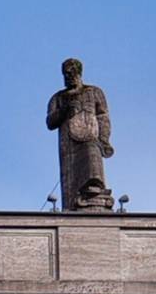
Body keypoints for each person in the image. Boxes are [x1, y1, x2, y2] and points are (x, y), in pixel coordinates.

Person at [46, 58, 113, 212]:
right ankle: (74, 202)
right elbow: (50, 122)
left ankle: (94, 189)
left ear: (79, 73)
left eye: (72, 73)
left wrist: (104, 140)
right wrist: (65, 110)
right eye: (66, 74)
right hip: (68, 143)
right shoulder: (58, 98)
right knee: (71, 176)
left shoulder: (94, 92)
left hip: (92, 136)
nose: (69, 77)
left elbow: (103, 117)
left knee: (92, 153)